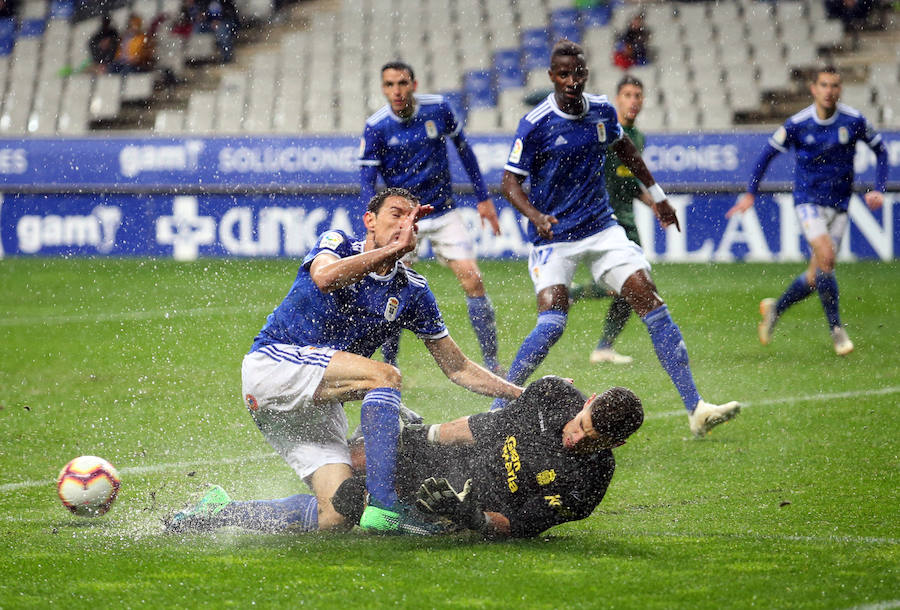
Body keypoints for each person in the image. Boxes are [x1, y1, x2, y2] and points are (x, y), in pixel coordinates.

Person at [167, 188, 522, 536]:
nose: (404, 223)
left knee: (336, 513)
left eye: (412, 219)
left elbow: (457, 367)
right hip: (273, 367)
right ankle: (384, 505)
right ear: (370, 220)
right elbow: (324, 278)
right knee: (385, 376)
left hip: (316, 400)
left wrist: (521, 394)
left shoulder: (413, 291)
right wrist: (394, 248)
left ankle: (217, 513)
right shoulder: (337, 243)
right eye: (396, 214)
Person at [493, 39, 740, 437]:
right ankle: (495, 406)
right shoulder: (536, 124)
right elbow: (509, 181)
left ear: (586, 74)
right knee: (552, 324)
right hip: (553, 237)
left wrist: (658, 198)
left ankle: (695, 407)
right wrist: (535, 215)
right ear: (552, 77)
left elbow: (626, 150)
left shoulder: (603, 112)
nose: (572, 81)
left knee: (649, 298)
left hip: (601, 228)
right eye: (564, 74)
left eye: (579, 73)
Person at [166, 376, 643, 539]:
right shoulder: (552, 395)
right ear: (587, 401)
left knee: (348, 505)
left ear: (614, 446)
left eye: (593, 440)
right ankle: (217, 511)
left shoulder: (586, 485)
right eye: (582, 425)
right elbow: (483, 425)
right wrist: (422, 434)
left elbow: (519, 527)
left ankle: (222, 512)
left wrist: (472, 516)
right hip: (448, 464)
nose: (577, 439)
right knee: (358, 467)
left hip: (459, 507)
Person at [726, 65, 887, 356]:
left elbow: (881, 150)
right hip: (808, 201)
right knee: (826, 256)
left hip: (840, 205)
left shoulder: (853, 121)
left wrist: (879, 188)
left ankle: (775, 308)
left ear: (840, 90)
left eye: (835, 85)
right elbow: (766, 154)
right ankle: (837, 330)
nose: (830, 91)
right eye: (824, 85)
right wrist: (750, 194)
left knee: (817, 276)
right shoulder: (798, 124)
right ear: (813, 88)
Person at [359, 61, 504, 375]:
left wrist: (483, 197)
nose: (396, 91)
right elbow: (367, 179)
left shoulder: (438, 109)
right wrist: (373, 219)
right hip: (402, 219)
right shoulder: (377, 126)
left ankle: (492, 362)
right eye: (389, 85)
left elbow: (465, 150)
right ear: (382, 88)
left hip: (443, 210)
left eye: (401, 83)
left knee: (473, 279)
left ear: (414, 83)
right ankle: (389, 366)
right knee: (392, 289)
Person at [570, 75, 656, 365]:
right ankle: (575, 296)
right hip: (605, 218)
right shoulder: (605, 133)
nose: (633, 101)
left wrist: (653, 202)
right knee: (638, 281)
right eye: (628, 95)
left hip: (626, 217)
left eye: (638, 95)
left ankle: (603, 344)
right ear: (618, 99)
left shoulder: (639, 138)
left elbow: (629, 181)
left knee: (636, 283)